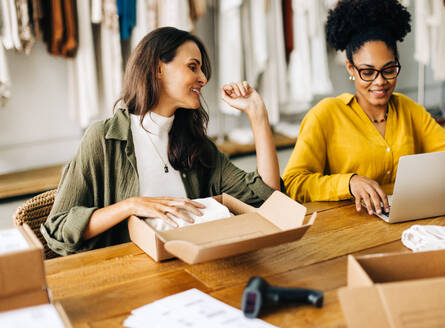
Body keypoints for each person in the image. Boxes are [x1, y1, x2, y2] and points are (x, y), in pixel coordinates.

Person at [41, 27, 281, 256]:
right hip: (127, 282)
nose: (204, 78)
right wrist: (131, 206)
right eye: (193, 67)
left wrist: (257, 114)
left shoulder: (197, 145)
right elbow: (58, 229)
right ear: (158, 69)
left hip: (194, 274)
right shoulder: (103, 139)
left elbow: (267, 196)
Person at [283, 0, 445, 216]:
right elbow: (293, 184)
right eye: (368, 72)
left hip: (404, 221)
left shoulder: (408, 109)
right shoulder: (326, 115)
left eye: (389, 69)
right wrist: (349, 182)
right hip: (343, 229)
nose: (380, 82)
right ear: (351, 68)